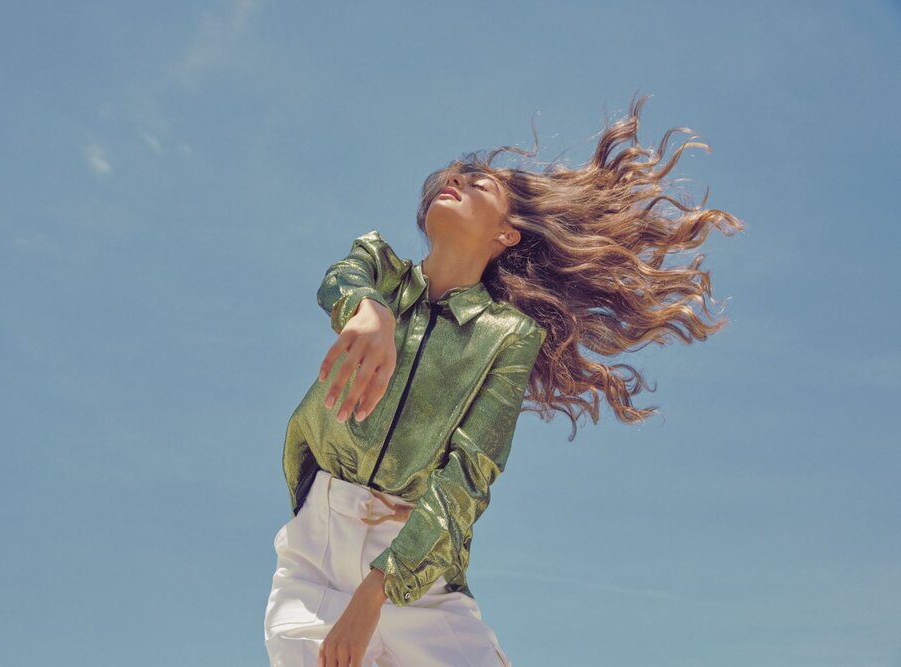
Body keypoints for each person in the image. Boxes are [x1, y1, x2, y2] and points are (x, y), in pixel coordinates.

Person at [263, 93, 745, 667]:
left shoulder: (508, 336)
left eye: (480, 185)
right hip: (316, 558)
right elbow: (344, 278)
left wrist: (376, 591)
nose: (455, 181)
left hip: (417, 567)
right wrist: (369, 310)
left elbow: (469, 474)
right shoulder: (377, 269)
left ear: (507, 234)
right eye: (454, 176)